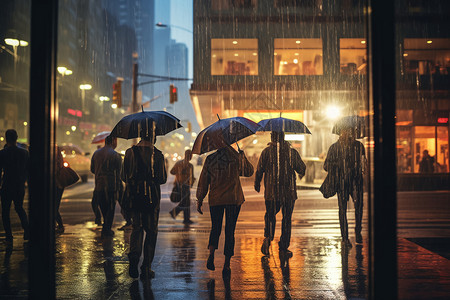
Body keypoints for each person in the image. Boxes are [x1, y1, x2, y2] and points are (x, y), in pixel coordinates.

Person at [196, 145, 254, 277]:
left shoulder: (211, 159)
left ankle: (211, 254)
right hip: (233, 199)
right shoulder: (235, 158)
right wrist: (242, 156)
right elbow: (249, 172)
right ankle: (227, 264)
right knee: (230, 230)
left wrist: (199, 198)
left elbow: (204, 180)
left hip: (216, 199)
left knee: (215, 228)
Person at [122, 124, 167, 280]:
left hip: (134, 196)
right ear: (153, 137)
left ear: (140, 135)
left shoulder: (129, 153)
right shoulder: (158, 155)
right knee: (151, 231)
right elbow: (162, 179)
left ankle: (134, 258)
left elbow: (124, 176)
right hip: (152, 198)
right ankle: (146, 267)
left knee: (137, 227)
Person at [254, 132, 306, 257]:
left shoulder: (266, 152)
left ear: (272, 137)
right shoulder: (291, 152)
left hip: (272, 192)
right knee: (286, 219)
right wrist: (299, 173)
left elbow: (259, 169)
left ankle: (268, 237)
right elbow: (301, 168)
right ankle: (283, 246)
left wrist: (257, 183)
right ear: (283, 137)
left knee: (270, 215)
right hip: (289, 192)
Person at [323, 128, 366, 246]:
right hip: (344, 182)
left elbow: (364, 164)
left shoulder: (358, 146)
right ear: (341, 132)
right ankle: (345, 237)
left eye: (349, 131)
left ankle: (357, 232)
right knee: (343, 210)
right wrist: (340, 166)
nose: (347, 134)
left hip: (355, 182)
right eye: (345, 131)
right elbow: (326, 166)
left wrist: (357, 168)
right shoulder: (335, 148)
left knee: (358, 207)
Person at [0, 129, 30, 242]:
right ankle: (27, 230)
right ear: (16, 138)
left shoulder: (2, 153)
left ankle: (9, 236)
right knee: (19, 208)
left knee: (5, 211)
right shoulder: (24, 153)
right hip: (19, 185)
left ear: (6, 138)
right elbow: (28, 170)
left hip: (7, 185)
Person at [90, 135, 122, 237]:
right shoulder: (116, 155)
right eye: (116, 141)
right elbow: (120, 172)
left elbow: (92, 169)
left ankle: (105, 226)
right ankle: (106, 229)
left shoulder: (96, 153)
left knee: (103, 206)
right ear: (113, 141)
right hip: (111, 186)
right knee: (110, 208)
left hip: (99, 185)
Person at [169, 149, 195, 224]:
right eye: (190, 155)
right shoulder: (189, 166)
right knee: (185, 203)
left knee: (186, 203)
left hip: (182, 185)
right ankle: (177, 214)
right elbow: (191, 177)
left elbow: (172, 172)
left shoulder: (180, 163)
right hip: (183, 186)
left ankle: (185, 218)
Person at [55, 146, 66, 232]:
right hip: (59, 184)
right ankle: (59, 225)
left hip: (56, 183)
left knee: (53, 207)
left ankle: (60, 225)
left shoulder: (54, 150)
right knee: (55, 206)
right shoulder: (57, 150)